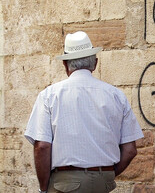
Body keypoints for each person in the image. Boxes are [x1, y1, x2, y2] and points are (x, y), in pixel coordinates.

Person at [24, 31, 144, 193]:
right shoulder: (116, 96)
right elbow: (130, 150)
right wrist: (106, 174)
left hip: (66, 182)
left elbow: (43, 147)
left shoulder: (50, 95)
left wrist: (43, 189)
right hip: (105, 181)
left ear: (65, 65)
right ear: (95, 63)